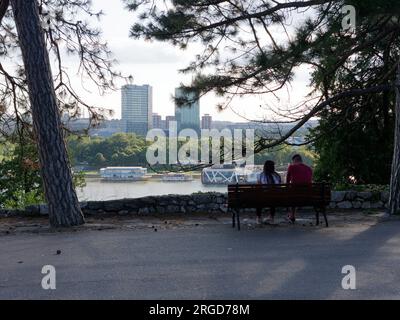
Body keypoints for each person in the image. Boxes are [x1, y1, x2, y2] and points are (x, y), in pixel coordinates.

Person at [286, 154, 313, 223]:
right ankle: (292, 215)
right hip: (308, 196)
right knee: (295, 193)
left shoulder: (291, 167)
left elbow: (287, 182)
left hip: (295, 196)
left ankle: (292, 215)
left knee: (292, 194)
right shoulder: (309, 169)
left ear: (294, 160)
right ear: (301, 160)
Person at [256, 160, 282, 224]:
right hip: (276, 199)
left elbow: (258, 188)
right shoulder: (277, 176)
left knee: (258, 198)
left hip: (263, 199)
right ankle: (271, 218)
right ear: (273, 167)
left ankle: (259, 218)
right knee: (273, 197)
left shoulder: (261, 175)